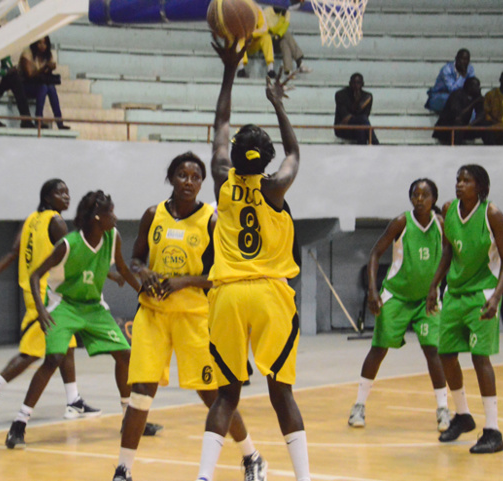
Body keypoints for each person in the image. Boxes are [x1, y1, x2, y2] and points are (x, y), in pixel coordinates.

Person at [194, 37, 310, 481]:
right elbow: (295, 152)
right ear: (266, 161)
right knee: (282, 393)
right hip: (269, 296)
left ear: (236, 158)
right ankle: (303, 478)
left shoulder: (223, 182)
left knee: (226, 395)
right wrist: (277, 103)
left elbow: (221, 122)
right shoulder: (275, 187)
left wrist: (230, 69)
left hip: (226, 296)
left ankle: (204, 477)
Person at [112, 152, 265, 481]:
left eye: (196, 177)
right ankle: (123, 470)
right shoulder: (153, 215)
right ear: (171, 178)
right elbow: (135, 260)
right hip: (153, 314)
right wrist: (146, 272)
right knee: (140, 392)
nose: (190, 182)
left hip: (195, 316)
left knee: (213, 396)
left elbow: (220, 274)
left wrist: (183, 281)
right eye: (183, 175)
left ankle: (251, 455)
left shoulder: (211, 220)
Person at [5, 191, 140, 449]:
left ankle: (128, 417)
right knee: (54, 358)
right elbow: (36, 276)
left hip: (93, 307)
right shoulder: (68, 244)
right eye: (111, 212)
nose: (116, 217)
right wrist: (43, 311)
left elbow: (122, 268)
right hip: (63, 305)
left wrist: (143, 293)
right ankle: (19, 424)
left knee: (125, 355)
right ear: (98, 217)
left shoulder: (113, 237)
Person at [0, 179, 100, 425]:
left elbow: (14, 251)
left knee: (67, 344)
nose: (66, 196)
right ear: (47, 198)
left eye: (67, 192)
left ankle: (73, 400)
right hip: (45, 296)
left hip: (31, 292)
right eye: (60, 192)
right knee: (32, 352)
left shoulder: (31, 219)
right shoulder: (57, 222)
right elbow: (73, 256)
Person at [348, 179, 450, 432]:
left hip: (426, 299)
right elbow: (375, 253)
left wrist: (441, 289)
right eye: (415, 194)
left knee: (433, 351)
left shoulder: (441, 225)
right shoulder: (401, 222)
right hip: (397, 296)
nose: (419, 199)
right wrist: (373, 290)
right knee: (379, 349)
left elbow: (450, 256)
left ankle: (443, 408)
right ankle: (358, 406)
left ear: (434, 199)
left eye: (425, 195)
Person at [426, 164, 503, 454]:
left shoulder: (492, 214)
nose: (460, 184)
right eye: (458, 179)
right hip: (454, 293)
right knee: (446, 354)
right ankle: (463, 416)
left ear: (481, 187)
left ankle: (493, 430)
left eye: (467, 180)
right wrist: (434, 286)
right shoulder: (449, 209)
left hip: (482, 294)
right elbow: (448, 252)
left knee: (480, 358)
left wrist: (497, 297)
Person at [19, 36, 70, 130]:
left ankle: (59, 122)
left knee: (50, 87)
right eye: (40, 43)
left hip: (39, 85)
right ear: (35, 43)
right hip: (24, 86)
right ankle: (39, 120)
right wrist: (44, 67)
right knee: (44, 87)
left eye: (45, 43)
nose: (42, 46)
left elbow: (45, 74)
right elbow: (29, 75)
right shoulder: (27, 53)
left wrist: (50, 68)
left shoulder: (47, 55)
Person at [432, 77, 490, 145]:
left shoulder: (476, 97)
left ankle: (492, 150)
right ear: (469, 86)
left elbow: (481, 115)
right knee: (458, 125)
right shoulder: (457, 95)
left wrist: (470, 125)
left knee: (486, 124)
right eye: (477, 86)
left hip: (464, 127)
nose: (479, 88)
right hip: (447, 129)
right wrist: (473, 103)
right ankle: (456, 151)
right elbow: (458, 116)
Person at [263, 5, 311, 76]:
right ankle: (299, 62)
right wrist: (282, 18)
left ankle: (288, 71)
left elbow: (285, 26)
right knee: (285, 34)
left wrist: (279, 34)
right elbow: (273, 30)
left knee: (284, 43)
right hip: (269, 42)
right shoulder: (266, 12)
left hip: (279, 39)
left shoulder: (286, 12)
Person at [425, 48, 476, 114]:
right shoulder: (447, 69)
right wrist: (462, 76)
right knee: (455, 102)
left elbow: (472, 86)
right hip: (439, 97)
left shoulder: (470, 69)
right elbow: (453, 90)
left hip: (459, 98)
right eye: (462, 59)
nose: (464, 62)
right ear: (456, 58)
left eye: (467, 60)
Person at [334, 73, 379, 145]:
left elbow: (365, 117)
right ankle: (375, 143)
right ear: (349, 83)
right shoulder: (341, 95)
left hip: (360, 126)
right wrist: (358, 104)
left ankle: (362, 153)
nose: (356, 85)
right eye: (353, 83)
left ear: (363, 84)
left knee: (361, 129)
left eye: (358, 83)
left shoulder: (367, 96)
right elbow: (345, 117)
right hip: (342, 128)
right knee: (362, 121)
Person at [236, 2, 275, 79]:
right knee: (238, 38)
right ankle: (241, 69)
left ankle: (270, 69)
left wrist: (252, 34)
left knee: (267, 37)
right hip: (240, 42)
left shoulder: (258, 8)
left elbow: (264, 28)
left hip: (253, 42)